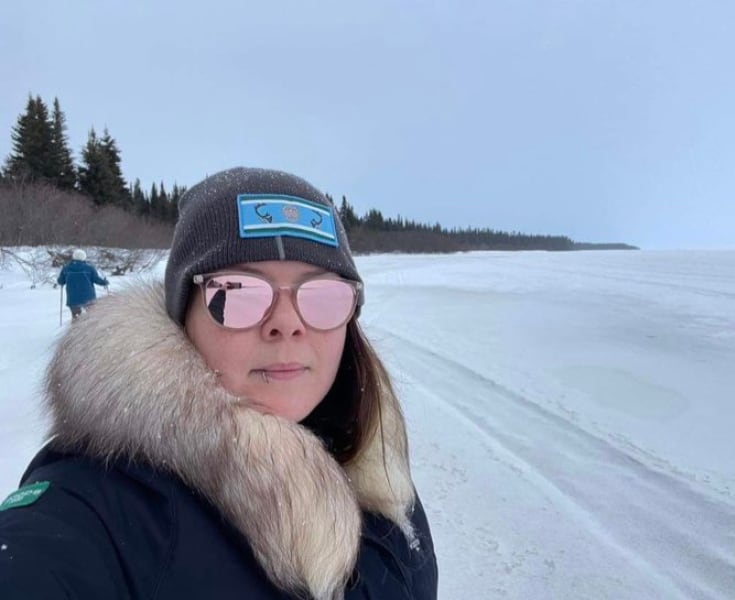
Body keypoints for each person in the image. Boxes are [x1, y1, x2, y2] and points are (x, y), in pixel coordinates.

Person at [0, 167, 438, 599]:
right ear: (182, 320)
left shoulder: (375, 464)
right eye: (238, 292)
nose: (287, 324)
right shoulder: (107, 502)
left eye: (323, 296)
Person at [56, 248, 109, 320]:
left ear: (74, 257)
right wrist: (104, 282)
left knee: (76, 318)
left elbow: (61, 281)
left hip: (73, 297)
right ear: (84, 257)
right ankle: (91, 329)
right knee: (91, 317)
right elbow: (96, 279)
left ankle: (75, 329)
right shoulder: (89, 268)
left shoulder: (66, 268)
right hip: (88, 297)